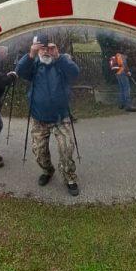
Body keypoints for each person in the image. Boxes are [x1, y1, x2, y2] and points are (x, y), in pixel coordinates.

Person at [16, 32, 80, 195]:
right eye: (40, 48)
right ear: (36, 50)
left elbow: (75, 73)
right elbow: (20, 71)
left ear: (53, 47)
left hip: (60, 117)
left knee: (66, 149)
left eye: (47, 48)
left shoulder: (61, 62)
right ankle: (47, 170)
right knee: (39, 151)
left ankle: (69, 177)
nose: (45, 51)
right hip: (39, 118)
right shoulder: (33, 64)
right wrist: (30, 55)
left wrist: (58, 56)